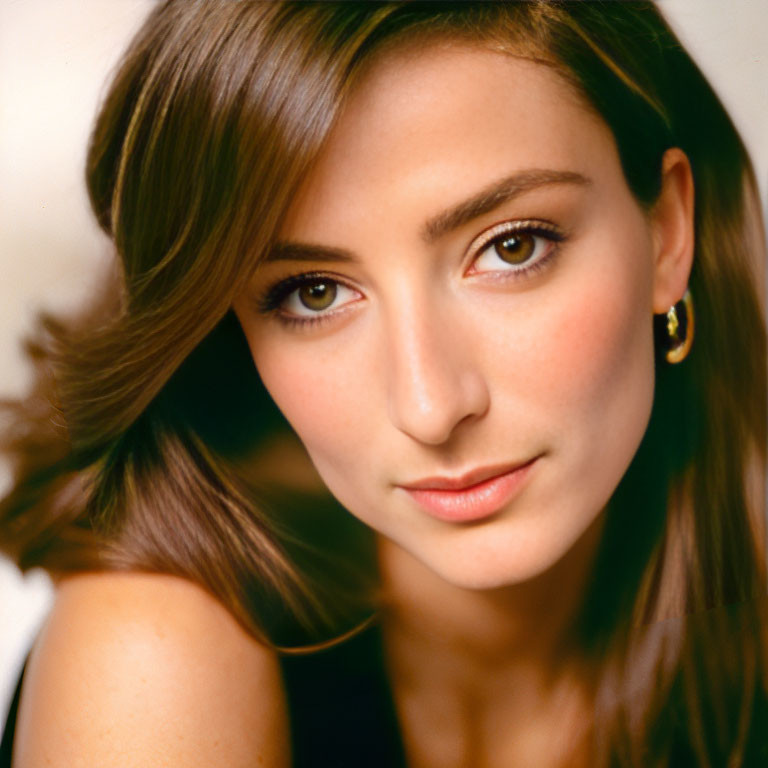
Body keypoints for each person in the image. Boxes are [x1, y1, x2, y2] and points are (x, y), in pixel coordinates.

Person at [1, 1, 766, 765]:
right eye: (315, 293)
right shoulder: (155, 655)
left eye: (509, 248)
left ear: (666, 231)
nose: (431, 407)